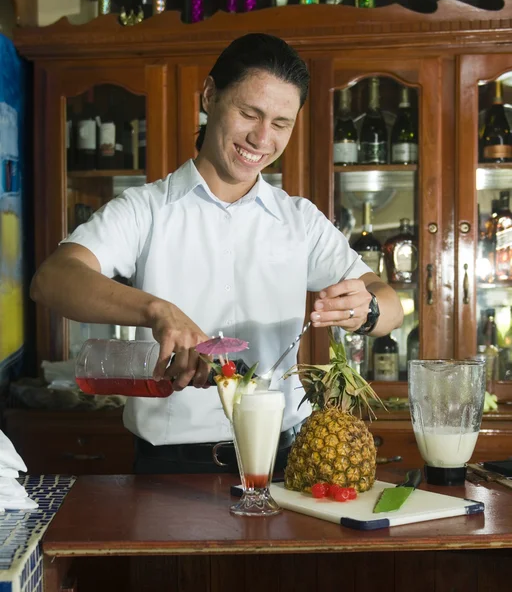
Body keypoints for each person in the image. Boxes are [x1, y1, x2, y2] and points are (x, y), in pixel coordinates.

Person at [30, 33, 403, 475]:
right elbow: (52, 279)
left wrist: (369, 306)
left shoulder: (299, 220)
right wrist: (158, 311)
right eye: (249, 113)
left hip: (283, 460)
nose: (262, 138)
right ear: (210, 95)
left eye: (281, 124)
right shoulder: (146, 209)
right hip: (170, 469)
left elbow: (390, 305)